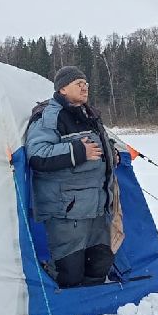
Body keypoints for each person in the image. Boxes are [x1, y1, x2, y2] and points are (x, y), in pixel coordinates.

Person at [26, 66, 120, 287]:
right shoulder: (49, 116)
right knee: (70, 274)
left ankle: (93, 312)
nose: (84, 86)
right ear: (62, 88)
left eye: (85, 83)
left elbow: (99, 142)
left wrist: (111, 152)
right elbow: (37, 155)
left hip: (97, 207)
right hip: (67, 210)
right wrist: (77, 151)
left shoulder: (90, 114)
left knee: (99, 265)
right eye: (77, 83)